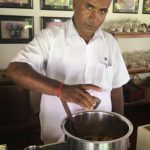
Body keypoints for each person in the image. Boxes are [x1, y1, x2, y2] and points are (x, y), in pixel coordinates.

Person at [6, 0, 130, 144]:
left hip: (102, 134)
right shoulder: (50, 37)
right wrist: (61, 89)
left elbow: (116, 88)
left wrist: (120, 132)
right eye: (89, 7)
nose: (95, 17)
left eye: (102, 11)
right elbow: (15, 70)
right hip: (58, 135)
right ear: (74, 4)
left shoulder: (110, 42)